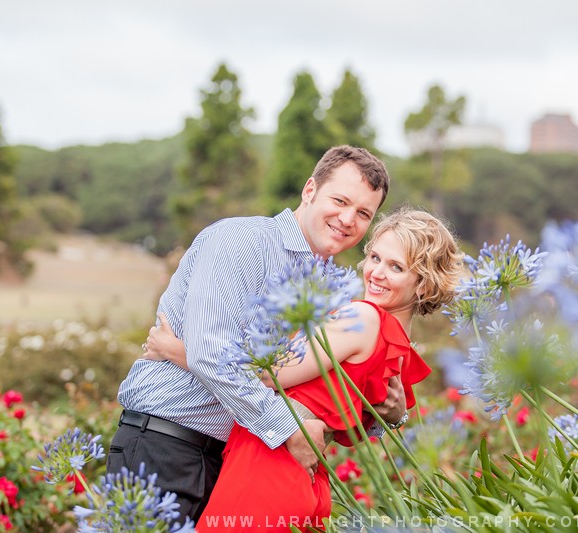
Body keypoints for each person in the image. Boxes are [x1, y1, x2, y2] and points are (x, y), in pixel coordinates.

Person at [108, 146, 404, 523]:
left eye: (363, 213)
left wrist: (386, 415)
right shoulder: (240, 242)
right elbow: (211, 355)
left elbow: (321, 391)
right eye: (340, 200)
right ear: (309, 190)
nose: (348, 219)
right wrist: (288, 429)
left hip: (239, 462)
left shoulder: (332, 289)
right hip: (167, 444)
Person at [143, 207, 465, 531]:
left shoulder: (363, 318)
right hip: (306, 479)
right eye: (375, 258)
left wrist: (177, 350)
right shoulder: (400, 346)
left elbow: (268, 374)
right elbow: (359, 426)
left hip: (269, 467)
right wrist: (397, 418)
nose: (375, 273)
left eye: (396, 267)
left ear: (423, 284)